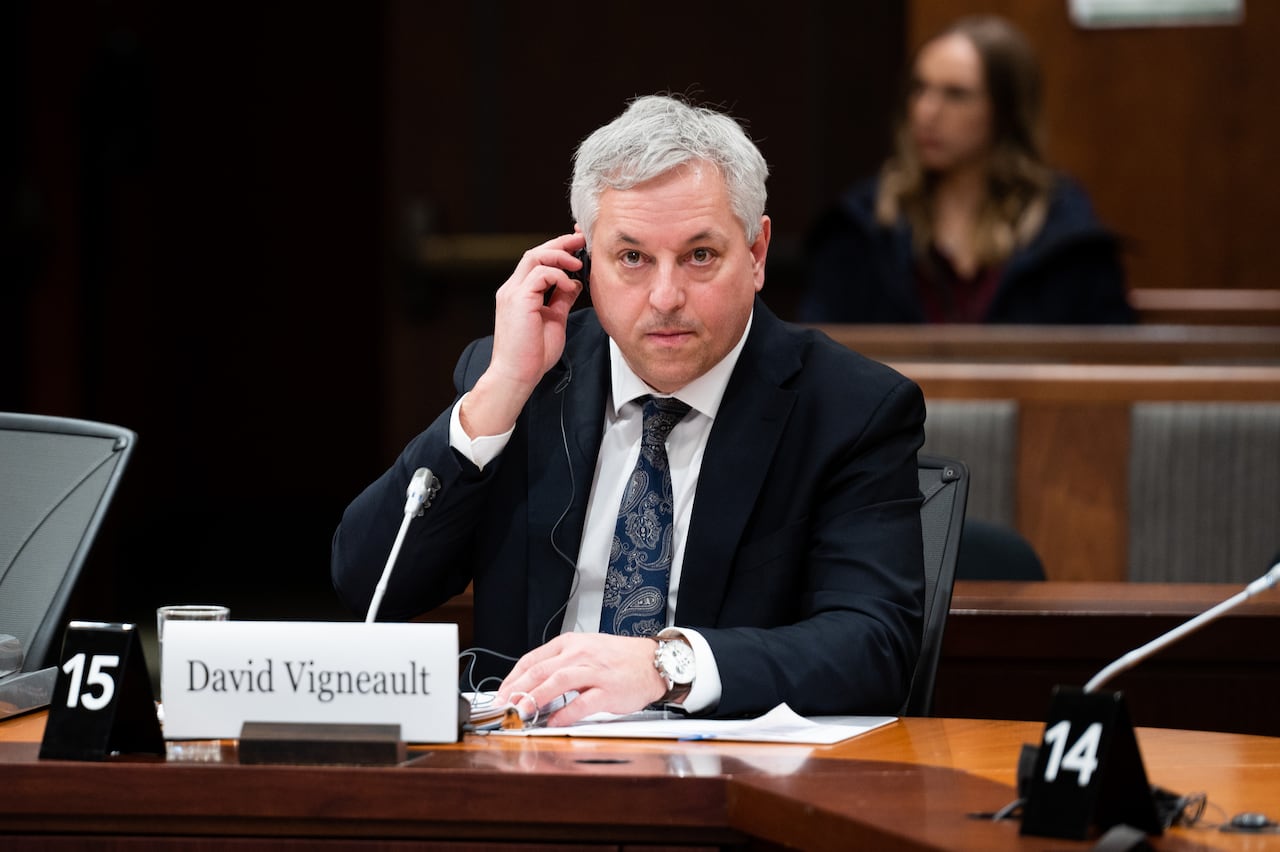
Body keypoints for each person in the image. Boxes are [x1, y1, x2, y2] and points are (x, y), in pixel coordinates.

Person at [331, 94, 927, 726]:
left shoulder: (850, 408)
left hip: (725, 780)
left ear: (756, 254)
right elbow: (368, 583)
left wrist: (667, 668)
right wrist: (499, 394)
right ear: (585, 260)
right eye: (633, 258)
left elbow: (875, 646)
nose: (665, 297)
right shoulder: (521, 377)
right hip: (523, 763)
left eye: (700, 256)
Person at [798, 15, 1135, 325]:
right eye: (919, 89)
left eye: (956, 94)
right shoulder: (865, 223)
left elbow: (1110, 355)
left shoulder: (1062, 228)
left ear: (1005, 111)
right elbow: (818, 351)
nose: (926, 112)